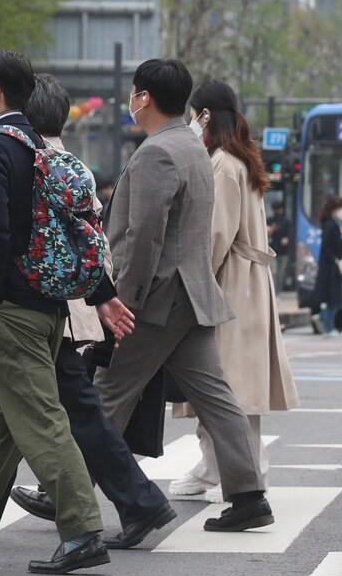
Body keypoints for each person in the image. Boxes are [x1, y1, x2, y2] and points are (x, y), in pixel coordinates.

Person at [0, 50, 133, 575]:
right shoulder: (39, 146)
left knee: (39, 419)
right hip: (49, 304)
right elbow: (75, 227)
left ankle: (81, 531)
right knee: (2, 421)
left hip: (10, 306)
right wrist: (100, 291)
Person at [0, 73, 176, 551]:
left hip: (43, 307)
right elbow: (93, 240)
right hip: (69, 304)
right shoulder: (70, 165)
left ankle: (95, 517)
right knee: (17, 412)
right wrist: (103, 294)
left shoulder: (24, 159)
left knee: (44, 413)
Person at [93, 59, 273, 532]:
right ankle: (249, 495)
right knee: (217, 398)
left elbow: (143, 236)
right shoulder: (194, 148)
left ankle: (65, 491)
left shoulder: (156, 152)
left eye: (134, 93)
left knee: (107, 396)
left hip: (156, 299)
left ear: (144, 97)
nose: (131, 101)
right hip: (193, 293)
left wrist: (124, 300)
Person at [168, 81, 299, 503]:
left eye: (194, 114)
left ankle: (240, 471)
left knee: (230, 384)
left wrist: (189, 282)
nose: (191, 121)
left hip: (232, 284)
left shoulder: (223, 164)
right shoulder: (239, 157)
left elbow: (215, 235)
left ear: (205, 115)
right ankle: (218, 466)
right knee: (228, 382)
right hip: (246, 281)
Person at [311, 196, 342, 336]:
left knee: (337, 298)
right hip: (332, 268)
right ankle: (327, 325)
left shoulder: (334, 224)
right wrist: (335, 260)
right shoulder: (330, 225)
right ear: (334, 210)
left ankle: (323, 320)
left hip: (334, 267)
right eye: (341, 208)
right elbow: (327, 247)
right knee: (335, 299)